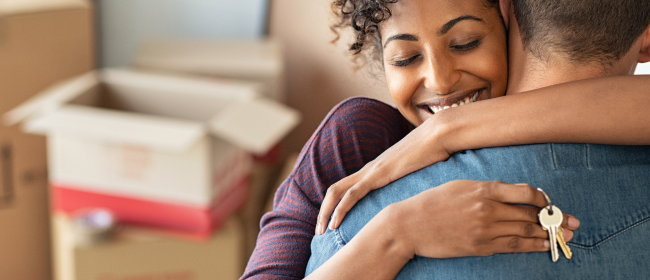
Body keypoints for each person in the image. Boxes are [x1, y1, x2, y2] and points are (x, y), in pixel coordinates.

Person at [241, 0, 650, 279]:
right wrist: (397, 233)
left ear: (506, 18)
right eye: (405, 59)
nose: (440, 80)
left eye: (466, 43)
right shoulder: (356, 140)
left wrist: (446, 131)